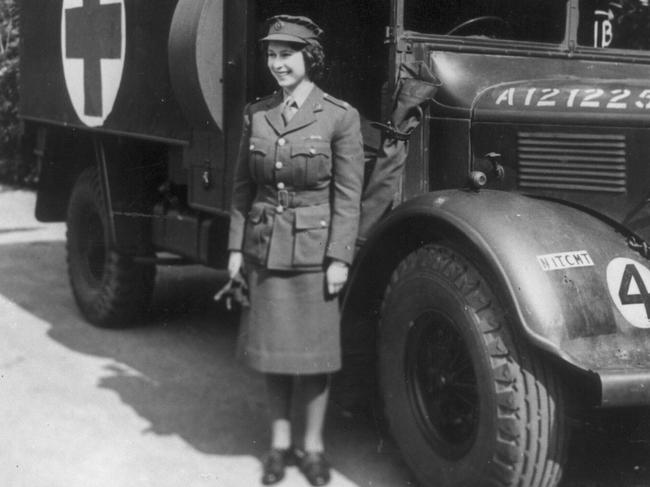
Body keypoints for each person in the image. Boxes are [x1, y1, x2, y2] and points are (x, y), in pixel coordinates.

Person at [226, 14, 364, 487]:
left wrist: (340, 258)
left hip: (313, 252)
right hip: (265, 247)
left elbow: (348, 196)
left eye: (287, 54)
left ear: (310, 58)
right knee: (273, 354)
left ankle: (313, 449)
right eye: (271, 54)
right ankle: (279, 446)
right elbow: (242, 189)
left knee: (315, 358)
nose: (278, 63)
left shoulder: (339, 117)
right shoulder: (257, 114)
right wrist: (235, 250)